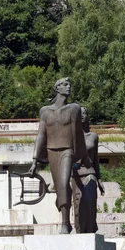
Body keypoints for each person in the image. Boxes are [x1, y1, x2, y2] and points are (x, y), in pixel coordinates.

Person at [29, 77, 89, 234]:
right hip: (51, 151)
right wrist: (35, 160)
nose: (68, 87)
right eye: (64, 84)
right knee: (61, 187)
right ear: (57, 88)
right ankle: (64, 204)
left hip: (67, 150)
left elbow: (78, 134)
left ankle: (64, 223)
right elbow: (41, 135)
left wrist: (83, 155)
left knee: (62, 183)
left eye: (69, 84)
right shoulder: (45, 111)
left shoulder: (74, 109)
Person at [71, 107, 105, 233]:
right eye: (78, 113)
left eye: (83, 113)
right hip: (76, 175)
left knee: (90, 202)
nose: (81, 116)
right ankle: (80, 231)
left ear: (87, 116)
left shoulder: (93, 137)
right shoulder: (72, 136)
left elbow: (95, 158)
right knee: (78, 204)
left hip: (90, 174)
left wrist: (100, 179)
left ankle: (90, 230)